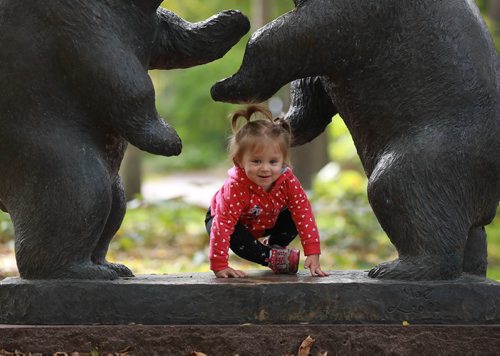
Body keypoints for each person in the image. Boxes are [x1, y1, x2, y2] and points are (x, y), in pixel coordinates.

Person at [205, 105, 328, 278]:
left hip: (265, 219)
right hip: (227, 222)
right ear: (239, 161)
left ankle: (275, 246)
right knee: (234, 234)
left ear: (283, 161)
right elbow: (222, 226)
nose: (265, 169)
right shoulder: (235, 188)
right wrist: (219, 265)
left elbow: (303, 214)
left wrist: (313, 253)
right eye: (256, 161)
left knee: (295, 215)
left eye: (273, 161)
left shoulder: (288, 181)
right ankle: (269, 256)